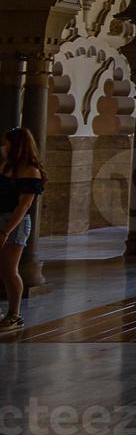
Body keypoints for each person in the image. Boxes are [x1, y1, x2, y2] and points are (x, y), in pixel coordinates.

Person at [0, 127, 45, 331]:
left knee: (9, 269)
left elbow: (23, 205)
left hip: (14, 222)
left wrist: (5, 231)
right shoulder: (6, 167)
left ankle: (14, 314)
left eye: (7, 143)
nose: (4, 146)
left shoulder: (31, 172)